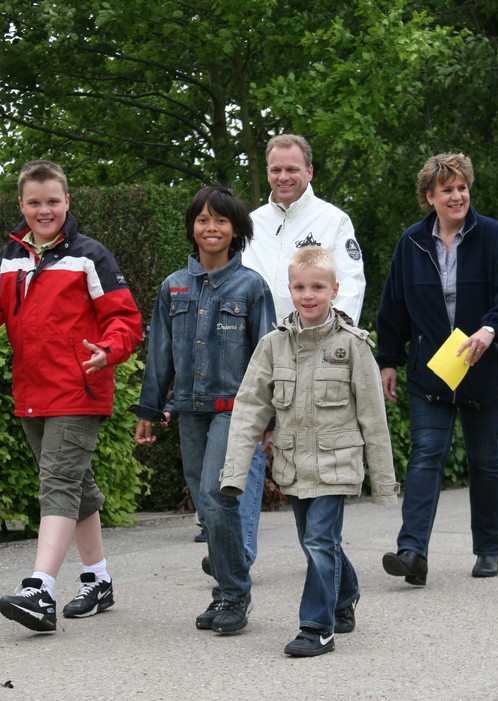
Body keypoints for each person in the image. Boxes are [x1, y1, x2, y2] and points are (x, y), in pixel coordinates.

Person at [0, 160, 143, 632]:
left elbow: (125, 319)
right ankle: (98, 579)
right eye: (35, 202)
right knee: (75, 486)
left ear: (67, 202)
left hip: (79, 389)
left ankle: (40, 589)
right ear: (21, 205)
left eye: (53, 201)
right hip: (31, 391)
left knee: (57, 483)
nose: (44, 210)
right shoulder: (8, 258)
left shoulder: (90, 255)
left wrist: (108, 350)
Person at [219, 247, 398, 658]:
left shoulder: (353, 346)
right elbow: (248, 410)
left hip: (337, 465)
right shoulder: (272, 346)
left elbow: (374, 418)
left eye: (317, 287)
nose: (308, 295)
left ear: (334, 290)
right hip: (293, 465)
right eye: (300, 287)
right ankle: (345, 593)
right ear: (290, 289)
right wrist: (235, 473)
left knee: (319, 540)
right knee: (316, 541)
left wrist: (383, 483)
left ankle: (317, 628)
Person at [133, 185, 275, 635]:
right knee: (205, 504)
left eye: (221, 220)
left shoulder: (252, 286)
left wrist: (269, 417)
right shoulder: (172, 286)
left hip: (235, 410)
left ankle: (234, 593)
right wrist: (150, 410)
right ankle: (225, 592)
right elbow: (159, 353)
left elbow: (267, 357)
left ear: (236, 230)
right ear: (191, 228)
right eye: (202, 220)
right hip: (189, 410)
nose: (211, 228)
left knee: (217, 496)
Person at [376, 152, 498, 584]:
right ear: (430, 197)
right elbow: (393, 306)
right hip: (432, 373)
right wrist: (389, 360)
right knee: (425, 455)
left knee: (485, 460)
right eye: (447, 190)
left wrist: (491, 329)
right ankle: (412, 552)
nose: (457, 196)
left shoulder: (492, 236)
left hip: (484, 368)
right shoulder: (411, 243)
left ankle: (488, 550)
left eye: (462, 187)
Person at [235, 134, 368, 569]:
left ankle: (326, 559)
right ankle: (237, 555)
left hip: (313, 356)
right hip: (259, 353)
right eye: (276, 169)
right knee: (249, 444)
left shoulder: (333, 220)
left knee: (310, 459)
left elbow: (350, 285)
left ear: (309, 171)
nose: (283, 176)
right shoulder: (251, 223)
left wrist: (334, 347)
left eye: (292, 169)